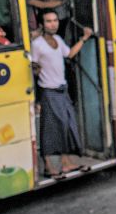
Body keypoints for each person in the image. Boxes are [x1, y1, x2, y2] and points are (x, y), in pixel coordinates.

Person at [31, 10, 93, 179]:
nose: (53, 24)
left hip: (62, 90)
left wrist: (83, 39)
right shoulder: (37, 44)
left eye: (55, 20)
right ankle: (49, 167)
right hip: (49, 92)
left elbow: (70, 54)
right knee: (50, 130)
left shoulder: (58, 40)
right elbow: (32, 69)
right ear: (42, 25)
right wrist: (36, 99)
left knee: (66, 126)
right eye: (49, 21)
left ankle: (66, 164)